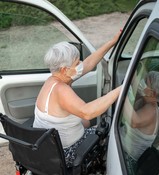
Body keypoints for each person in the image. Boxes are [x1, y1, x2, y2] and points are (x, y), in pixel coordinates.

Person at [33, 32, 122, 166]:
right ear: (64, 69)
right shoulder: (61, 90)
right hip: (66, 153)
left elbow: (89, 63)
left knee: (85, 122)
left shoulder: (52, 81)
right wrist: (121, 88)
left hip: (47, 148)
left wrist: (112, 42)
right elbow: (87, 112)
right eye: (77, 62)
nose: (81, 64)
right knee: (110, 129)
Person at [120, 70, 159, 161]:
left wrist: (120, 91)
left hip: (125, 157)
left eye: (146, 82)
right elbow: (135, 82)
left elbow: (133, 122)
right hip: (121, 144)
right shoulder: (145, 99)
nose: (143, 82)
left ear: (153, 93)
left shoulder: (151, 110)